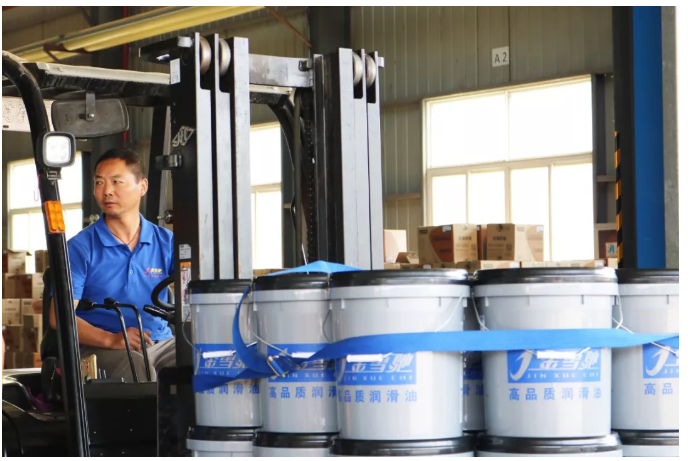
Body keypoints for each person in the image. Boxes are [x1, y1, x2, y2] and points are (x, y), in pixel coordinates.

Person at [49, 147, 175, 382]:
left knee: (201, 360)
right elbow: (60, 318)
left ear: (142, 187)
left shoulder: (166, 242)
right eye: (99, 182)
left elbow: (194, 284)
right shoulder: (80, 248)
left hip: (161, 343)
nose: (106, 191)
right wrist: (112, 339)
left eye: (117, 182)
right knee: (137, 368)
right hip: (100, 347)